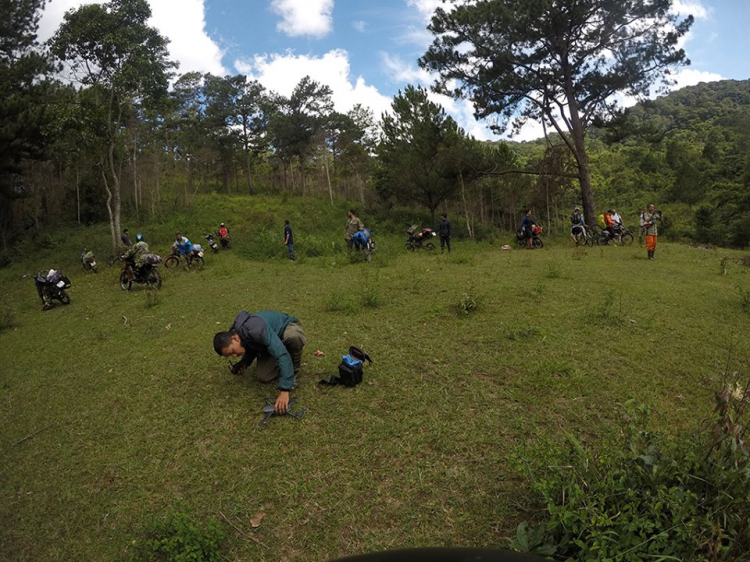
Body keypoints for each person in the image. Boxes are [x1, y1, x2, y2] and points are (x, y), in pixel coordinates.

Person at [214, 310, 307, 413]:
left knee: (293, 337)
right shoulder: (238, 333)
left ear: (235, 339)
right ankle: (283, 358)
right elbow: (250, 347)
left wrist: (285, 390)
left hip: (285, 328)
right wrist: (244, 363)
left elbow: (281, 354)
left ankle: (292, 369)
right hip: (271, 339)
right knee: (264, 376)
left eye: (232, 351)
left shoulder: (256, 329)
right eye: (230, 355)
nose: (234, 355)